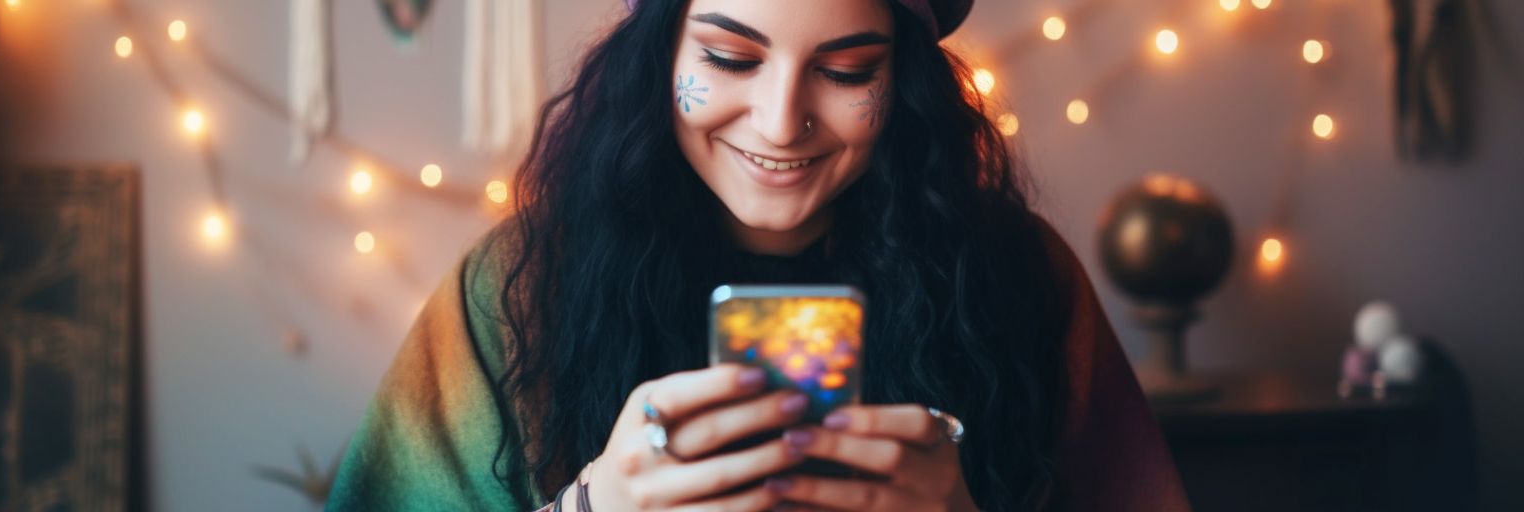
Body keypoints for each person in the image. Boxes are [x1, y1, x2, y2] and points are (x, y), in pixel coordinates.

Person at [326, 0, 1190, 510]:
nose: (780, 123)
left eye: (846, 71)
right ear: (658, 56)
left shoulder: (1020, 278)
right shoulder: (517, 289)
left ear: (905, 82)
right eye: (730, 58)